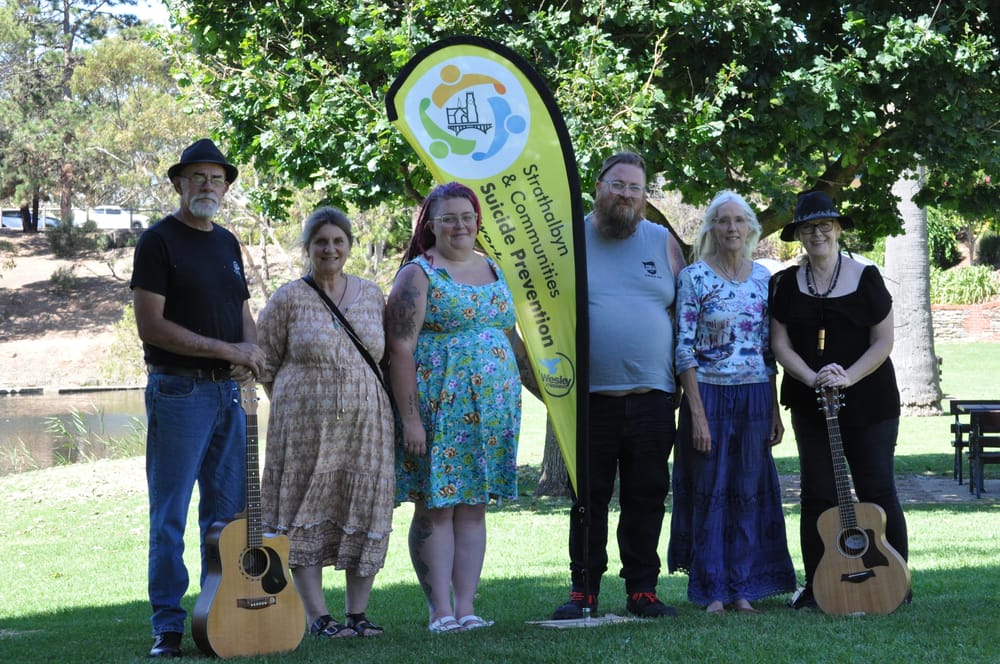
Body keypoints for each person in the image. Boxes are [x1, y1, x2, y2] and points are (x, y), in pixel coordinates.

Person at [131, 138, 265, 658]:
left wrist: (250, 352)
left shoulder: (228, 243)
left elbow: (242, 312)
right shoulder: (158, 241)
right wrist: (227, 349)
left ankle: (225, 613)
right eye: (197, 178)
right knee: (169, 516)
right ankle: (167, 626)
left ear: (225, 188)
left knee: (228, 520)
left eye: (216, 179)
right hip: (179, 391)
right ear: (178, 184)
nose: (208, 186)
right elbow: (152, 326)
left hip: (230, 394)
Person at [551, 151, 686, 620]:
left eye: (635, 188)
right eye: (618, 185)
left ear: (645, 196)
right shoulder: (568, 239)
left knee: (646, 497)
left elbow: (683, 313)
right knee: (588, 500)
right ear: (598, 187)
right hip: (590, 402)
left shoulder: (662, 241)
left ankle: (642, 591)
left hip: (653, 398)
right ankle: (584, 590)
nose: (626, 195)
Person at [386, 181, 521, 633]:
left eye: (467, 217)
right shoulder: (418, 274)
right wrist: (410, 419)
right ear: (431, 224)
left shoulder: (494, 268)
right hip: (439, 410)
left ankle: (466, 607)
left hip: (490, 414)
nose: (460, 225)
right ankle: (440, 611)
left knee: (473, 508)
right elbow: (400, 348)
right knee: (437, 508)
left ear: (477, 220)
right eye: (448, 218)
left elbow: (507, 337)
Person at [256, 207, 395, 639]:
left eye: (338, 241)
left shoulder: (372, 295)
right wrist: (294, 403)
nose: (330, 249)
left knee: (364, 508)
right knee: (305, 510)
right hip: (303, 431)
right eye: (321, 242)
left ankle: (358, 614)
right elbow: (263, 361)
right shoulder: (288, 298)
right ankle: (318, 616)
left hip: (366, 427)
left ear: (349, 246)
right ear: (308, 247)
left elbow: (385, 358)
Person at [769, 190, 909, 609]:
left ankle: (896, 584)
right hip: (811, 401)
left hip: (870, 401)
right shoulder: (785, 284)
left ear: (838, 229)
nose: (818, 234)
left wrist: (847, 376)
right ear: (798, 234)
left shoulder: (866, 278)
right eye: (809, 227)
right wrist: (813, 377)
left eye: (825, 225)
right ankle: (818, 587)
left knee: (876, 489)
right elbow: (780, 344)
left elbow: (883, 341)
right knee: (817, 494)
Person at [666, 190, 796, 614]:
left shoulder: (764, 279)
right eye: (723, 220)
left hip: (755, 395)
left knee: (748, 490)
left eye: (739, 220)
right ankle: (712, 590)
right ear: (711, 228)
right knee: (710, 489)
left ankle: (743, 588)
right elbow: (684, 347)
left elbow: (767, 349)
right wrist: (697, 415)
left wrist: (773, 409)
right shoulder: (694, 277)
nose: (732, 228)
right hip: (708, 394)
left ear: (751, 228)